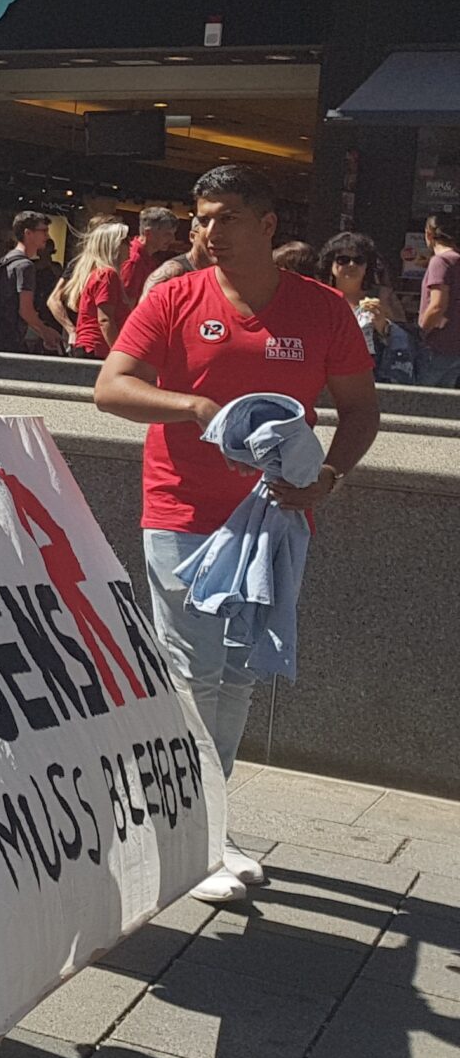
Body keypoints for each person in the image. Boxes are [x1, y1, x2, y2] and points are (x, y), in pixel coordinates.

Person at [95, 164, 378, 905]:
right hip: (181, 512)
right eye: (201, 218)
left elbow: (361, 409)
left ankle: (205, 827)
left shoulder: (322, 309)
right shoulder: (175, 296)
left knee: (240, 672)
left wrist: (330, 476)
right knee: (194, 672)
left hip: (274, 519)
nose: (208, 232)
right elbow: (110, 387)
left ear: (267, 224)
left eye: (225, 217)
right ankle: (194, 836)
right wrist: (192, 406)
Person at [316, 231, 417, 384]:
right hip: (326, 373)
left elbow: (406, 340)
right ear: (330, 264)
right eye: (343, 260)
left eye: (359, 260)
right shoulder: (319, 297)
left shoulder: (383, 296)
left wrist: (384, 326)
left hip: (371, 376)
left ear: (367, 266)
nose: (351, 265)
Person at [0, 210, 65, 353]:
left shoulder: (8, 259)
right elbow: (25, 310)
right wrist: (46, 333)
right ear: (28, 233)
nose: (47, 236)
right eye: (43, 231)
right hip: (9, 340)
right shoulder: (25, 266)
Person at [50, 219, 132, 360]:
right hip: (98, 349)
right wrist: (119, 354)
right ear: (114, 245)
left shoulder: (98, 273)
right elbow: (105, 319)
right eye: (125, 241)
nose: (130, 245)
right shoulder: (107, 274)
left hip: (91, 348)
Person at [417, 211, 460, 390]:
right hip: (455, 346)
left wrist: (421, 332)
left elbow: (437, 305)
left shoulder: (440, 262)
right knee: (443, 400)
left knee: (418, 397)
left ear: (429, 234)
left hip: (436, 344)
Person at [119, 206, 190, 309]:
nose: (172, 239)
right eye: (167, 234)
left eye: (173, 234)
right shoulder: (134, 260)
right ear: (148, 233)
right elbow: (127, 304)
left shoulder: (147, 257)